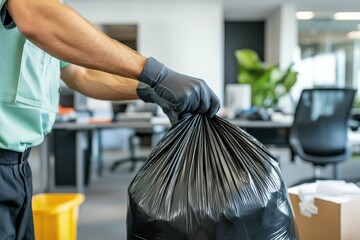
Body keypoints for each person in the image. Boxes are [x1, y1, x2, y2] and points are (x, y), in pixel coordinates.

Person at [0, 0, 220, 239]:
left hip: (16, 169)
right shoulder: (40, 10)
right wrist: (156, 73)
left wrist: (149, 89)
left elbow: (80, 74)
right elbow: (35, 15)